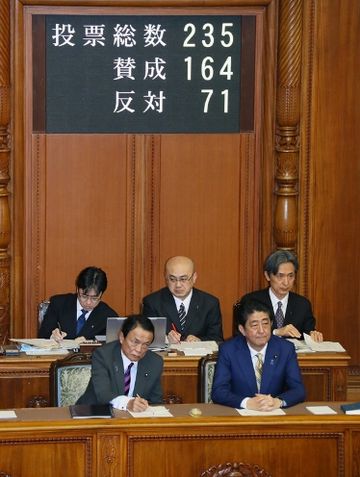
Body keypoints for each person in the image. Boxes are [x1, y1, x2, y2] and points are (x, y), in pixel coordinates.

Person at [212, 299, 305, 410]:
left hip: (274, 414)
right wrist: (246, 403)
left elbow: (298, 390)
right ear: (242, 330)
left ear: (271, 324)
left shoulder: (285, 349)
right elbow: (218, 392)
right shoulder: (228, 350)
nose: (261, 331)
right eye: (254, 325)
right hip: (240, 415)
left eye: (265, 324)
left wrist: (278, 401)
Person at [77, 315, 163, 411]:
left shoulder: (155, 362)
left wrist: (144, 406)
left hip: (133, 420)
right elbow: (103, 394)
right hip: (95, 413)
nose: (139, 349)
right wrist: (128, 403)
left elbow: (155, 401)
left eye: (145, 345)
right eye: (135, 342)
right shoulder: (103, 355)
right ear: (122, 337)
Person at [236, 250, 323, 342]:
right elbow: (241, 335)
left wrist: (313, 335)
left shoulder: (302, 304)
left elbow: (308, 333)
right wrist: (276, 332)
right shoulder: (251, 301)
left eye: (290, 276)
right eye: (280, 276)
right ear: (267, 276)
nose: (286, 282)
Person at [142, 256, 223, 344]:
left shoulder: (210, 303)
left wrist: (200, 341)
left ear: (194, 277)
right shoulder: (152, 302)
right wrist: (166, 339)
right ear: (166, 278)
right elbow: (146, 337)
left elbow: (217, 339)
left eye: (183, 279)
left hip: (198, 356)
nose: (178, 285)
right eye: (172, 279)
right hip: (165, 356)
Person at [38, 266, 117, 342]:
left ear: (101, 294)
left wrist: (90, 343)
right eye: (84, 296)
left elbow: (112, 346)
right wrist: (52, 336)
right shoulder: (59, 304)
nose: (88, 302)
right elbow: (43, 335)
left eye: (94, 298)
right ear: (77, 289)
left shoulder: (108, 316)